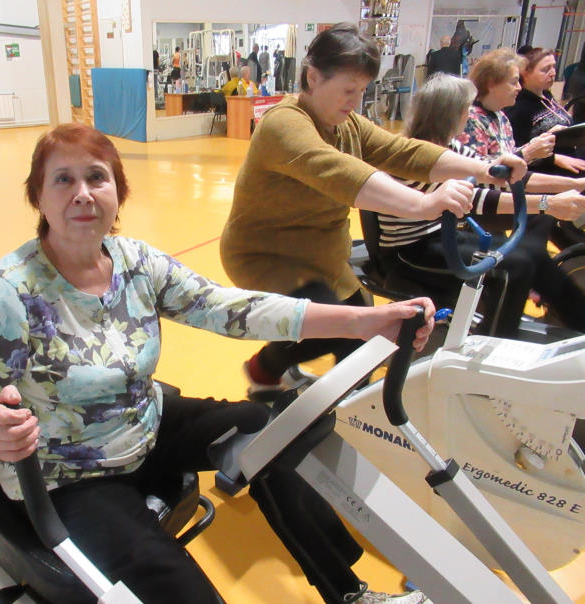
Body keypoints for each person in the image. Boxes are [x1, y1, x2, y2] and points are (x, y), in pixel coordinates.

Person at [0, 121, 438, 604]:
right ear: (38, 196)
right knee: (178, 585)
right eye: (63, 179)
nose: (82, 193)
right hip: (68, 475)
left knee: (273, 433)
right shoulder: (11, 291)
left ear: (118, 192)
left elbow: (234, 308)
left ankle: (346, 590)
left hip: (144, 427)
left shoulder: (134, 263)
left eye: (97, 177)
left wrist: (365, 322)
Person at [220, 23, 525, 398]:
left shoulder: (346, 123)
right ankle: (270, 372)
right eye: (348, 89)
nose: (356, 100)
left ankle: (325, 397)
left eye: (362, 90)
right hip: (267, 256)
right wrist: (422, 204)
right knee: (340, 328)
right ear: (313, 77)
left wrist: (483, 168)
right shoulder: (283, 124)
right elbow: (339, 172)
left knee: (364, 335)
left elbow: (402, 151)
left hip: (323, 256)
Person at [378, 73, 585, 336]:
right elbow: (476, 200)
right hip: (411, 250)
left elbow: (498, 175)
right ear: (450, 113)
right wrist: (547, 203)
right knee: (516, 266)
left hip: (442, 236)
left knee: (533, 254)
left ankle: (579, 321)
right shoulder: (418, 154)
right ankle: (496, 340)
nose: (469, 115)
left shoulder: (451, 146)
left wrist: (575, 184)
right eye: (466, 109)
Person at [458, 48, 585, 175]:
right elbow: (482, 174)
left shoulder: (501, 116)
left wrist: (541, 141)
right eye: (514, 82)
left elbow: (511, 154)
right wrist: (530, 152)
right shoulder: (471, 119)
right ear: (491, 84)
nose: (519, 87)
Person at [504, 46, 585, 171]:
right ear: (525, 73)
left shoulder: (546, 94)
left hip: (572, 158)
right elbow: (515, 151)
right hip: (547, 169)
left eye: (553, 67)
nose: (553, 73)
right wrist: (554, 158)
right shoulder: (518, 106)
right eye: (546, 69)